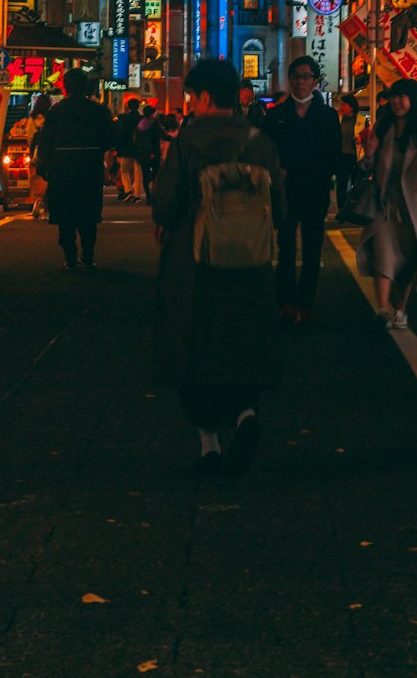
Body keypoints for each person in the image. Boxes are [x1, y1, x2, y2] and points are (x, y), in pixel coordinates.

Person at [152, 58, 284, 478]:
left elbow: (167, 204)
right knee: (242, 343)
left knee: (193, 348)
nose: (189, 104)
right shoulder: (259, 141)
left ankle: (209, 447)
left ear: (206, 97)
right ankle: (245, 414)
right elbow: (278, 206)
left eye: (192, 96)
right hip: (249, 262)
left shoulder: (189, 141)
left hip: (194, 265)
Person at [263, 55, 342, 325]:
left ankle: (305, 303)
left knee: (312, 249)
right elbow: (267, 153)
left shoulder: (328, 116)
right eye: (296, 76)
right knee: (285, 247)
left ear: (315, 81)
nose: (300, 82)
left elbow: (334, 154)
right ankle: (285, 302)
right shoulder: (275, 116)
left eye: (306, 76)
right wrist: (278, 172)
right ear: (290, 79)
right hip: (285, 191)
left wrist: (324, 175)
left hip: (315, 190)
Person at [356, 77, 417, 330]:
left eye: (401, 96)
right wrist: (368, 154)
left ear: (413, 100)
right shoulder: (382, 127)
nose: (396, 101)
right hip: (384, 202)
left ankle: (401, 309)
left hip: (411, 203)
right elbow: (366, 165)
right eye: (394, 96)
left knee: (410, 258)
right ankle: (382, 308)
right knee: (383, 252)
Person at [38, 68, 116, 268]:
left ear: (65, 87)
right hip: (89, 166)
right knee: (88, 214)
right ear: (86, 86)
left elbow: (45, 142)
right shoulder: (98, 110)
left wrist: (44, 168)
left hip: (62, 168)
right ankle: (88, 255)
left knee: (65, 214)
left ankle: (70, 256)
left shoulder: (56, 111)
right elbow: (109, 138)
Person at [113, 96, 145, 202]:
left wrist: (118, 148)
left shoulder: (124, 118)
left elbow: (120, 134)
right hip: (138, 148)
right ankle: (137, 194)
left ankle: (128, 190)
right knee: (138, 171)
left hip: (126, 147)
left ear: (129, 106)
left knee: (124, 170)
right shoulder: (141, 119)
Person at [25, 93, 52, 218]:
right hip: (49, 153)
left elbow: (29, 138)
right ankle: (46, 205)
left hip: (36, 154)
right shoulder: (51, 119)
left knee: (35, 179)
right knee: (48, 179)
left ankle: (36, 202)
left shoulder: (32, 120)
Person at [335, 92, 360, 213]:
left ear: (351, 107)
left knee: (357, 182)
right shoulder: (339, 119)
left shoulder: (360, 119)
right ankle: (342, 209)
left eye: (344, 104)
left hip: (356, 156)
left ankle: (354, 207)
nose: (341, 107)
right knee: (342, 183)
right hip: (341, 155)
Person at [134, 103, 163, 201]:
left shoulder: (140, 124)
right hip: (154, 152)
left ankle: (148, 196)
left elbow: (136, 140)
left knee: (145, 175)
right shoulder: (155, 123)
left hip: (142, 153)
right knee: (156, 175)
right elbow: (159, 136)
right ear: (152, 113)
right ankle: (154, 195)